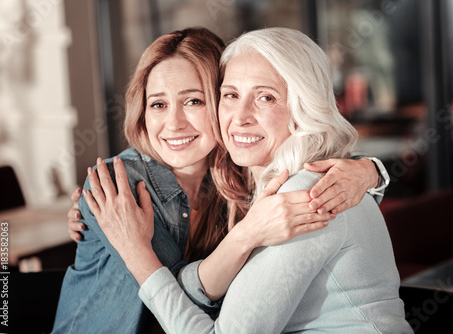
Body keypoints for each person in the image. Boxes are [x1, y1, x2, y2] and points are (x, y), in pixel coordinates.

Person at [53, 27, 382, 333]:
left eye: (193, 101)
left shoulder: (235, 176)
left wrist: (371, 171)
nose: (174, 123)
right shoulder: (120, 186)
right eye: (158, 104)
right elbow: (186, 296)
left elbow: (328, 186)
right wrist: (247, 232)